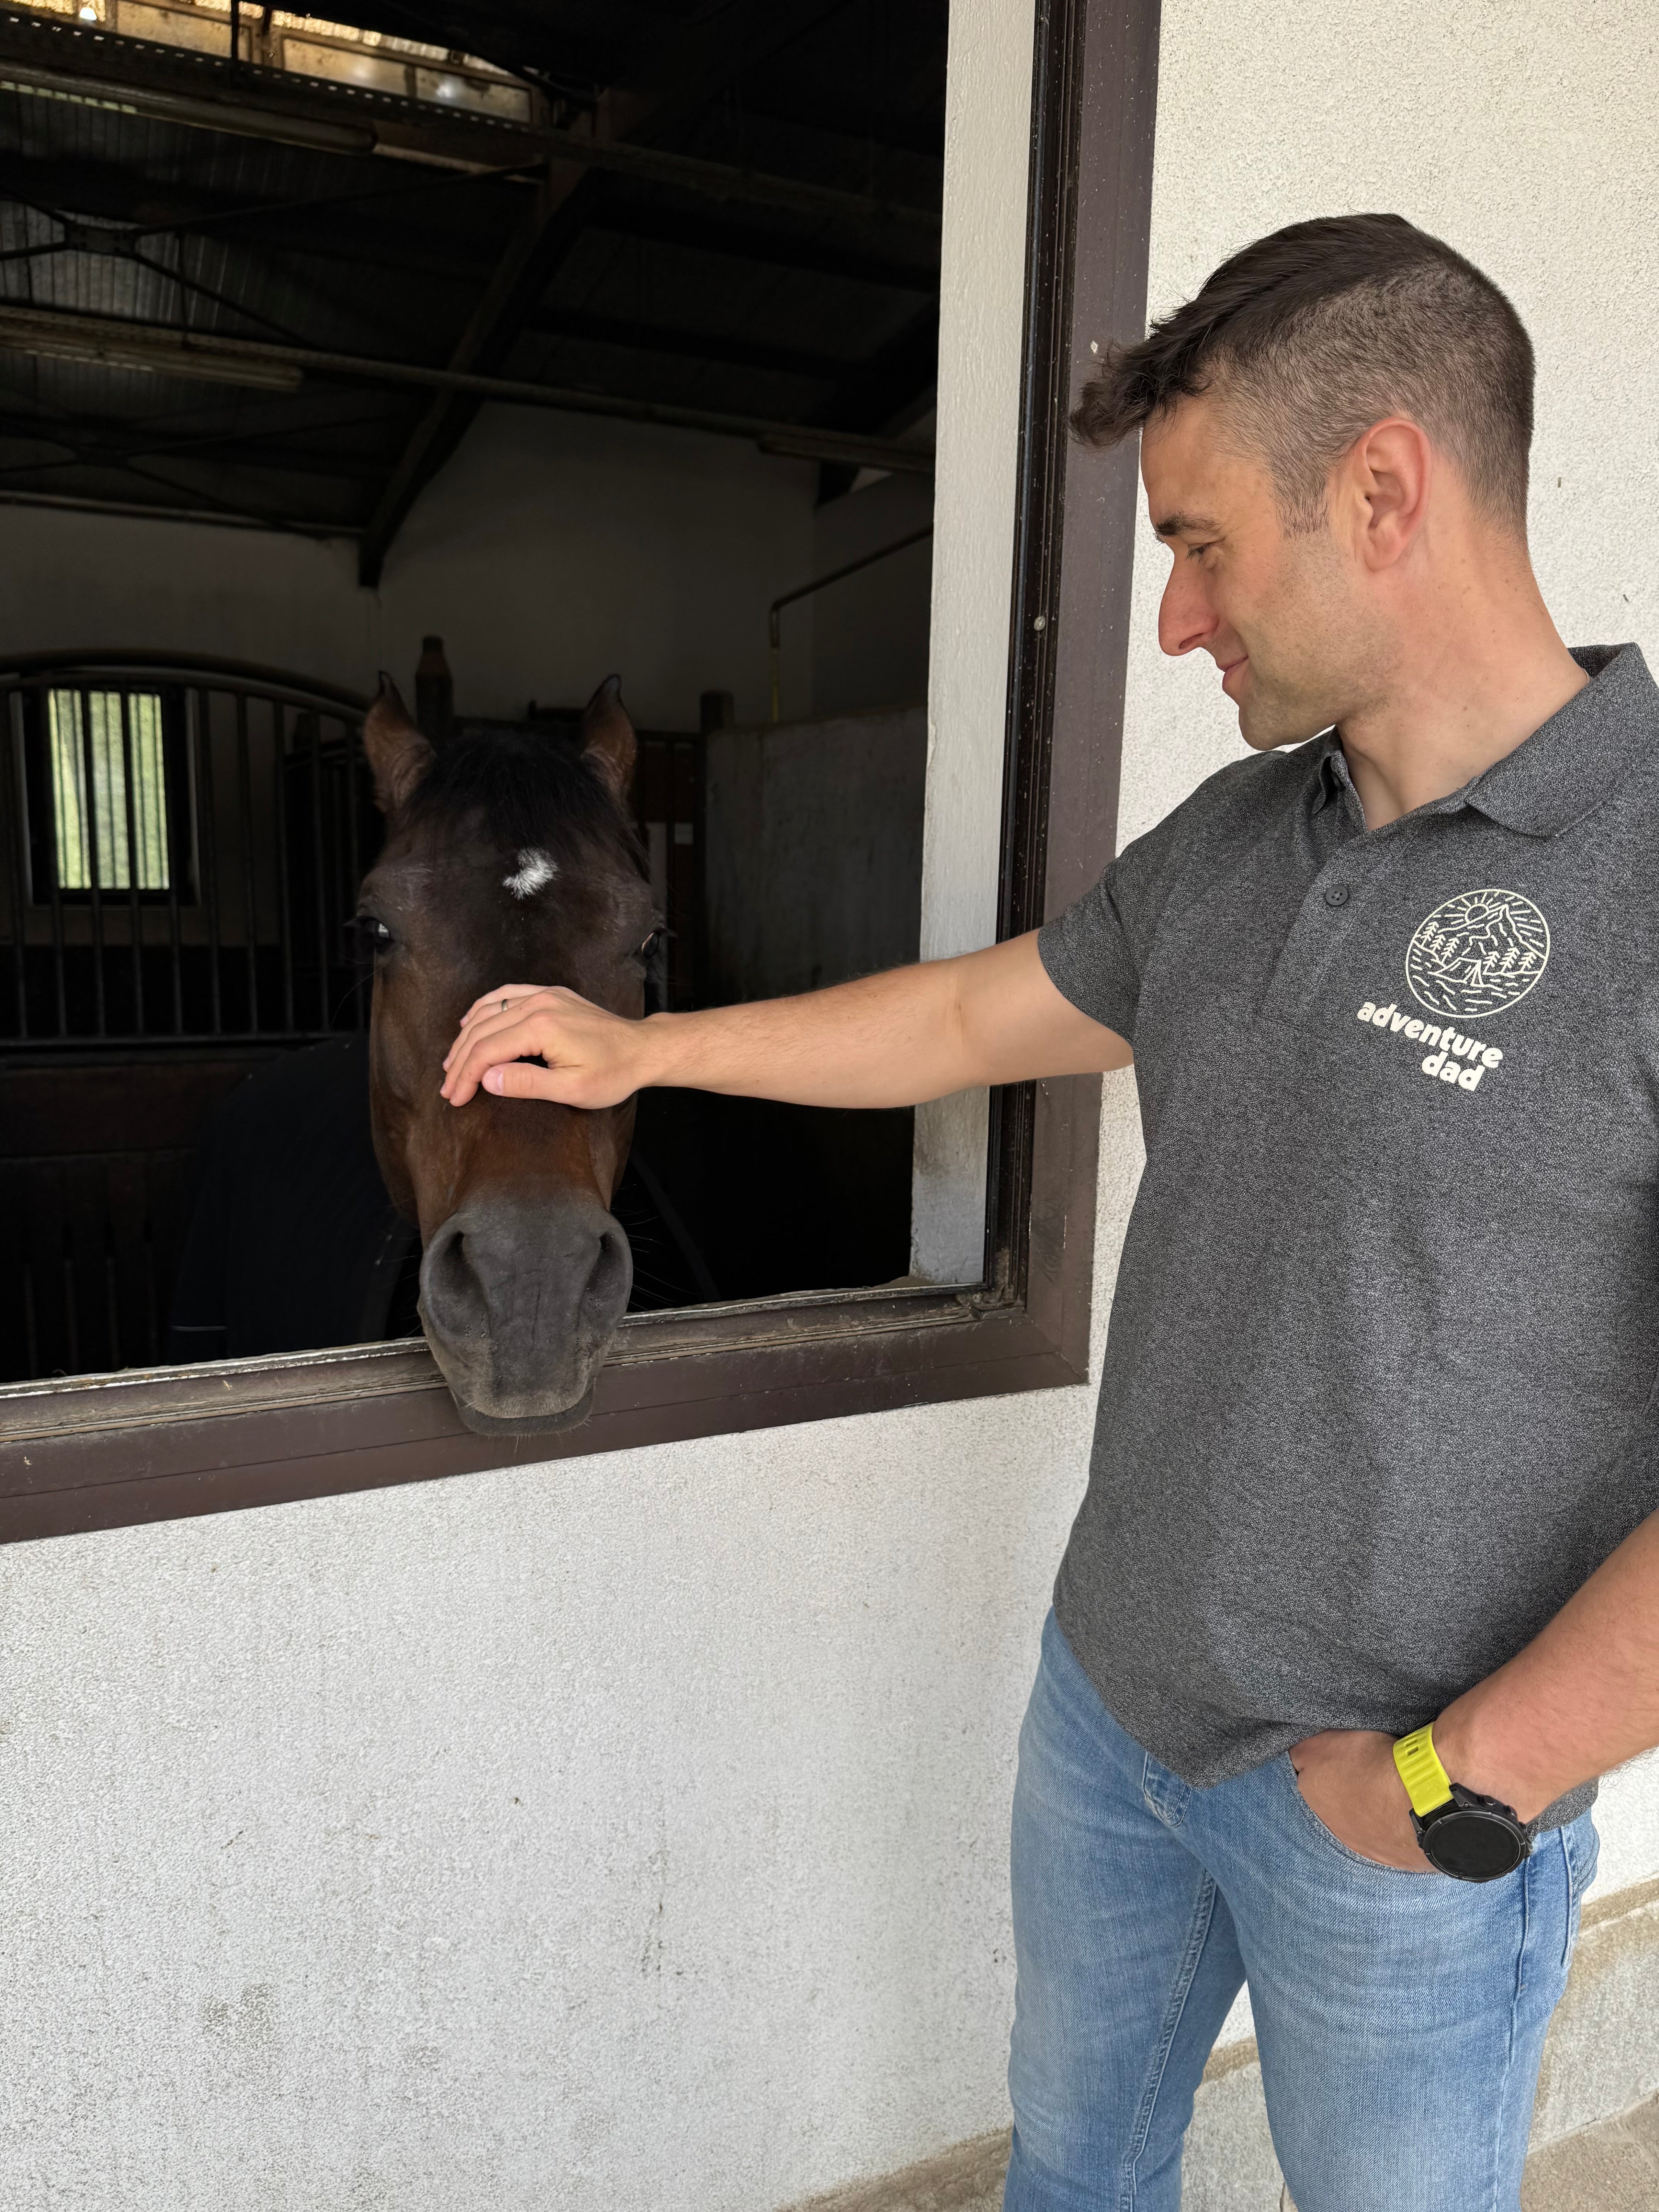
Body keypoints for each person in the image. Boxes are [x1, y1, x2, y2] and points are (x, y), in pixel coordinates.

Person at [438, 214, 1659, 2210]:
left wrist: (1460, 1786)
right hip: (1112, 1721)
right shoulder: (1242, 843)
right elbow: (958, 1013)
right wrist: (647, 1055)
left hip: (1399, 1822)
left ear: (1382, 493)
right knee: (1074, 2180)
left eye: (1199, 544)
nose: (1176, 621)